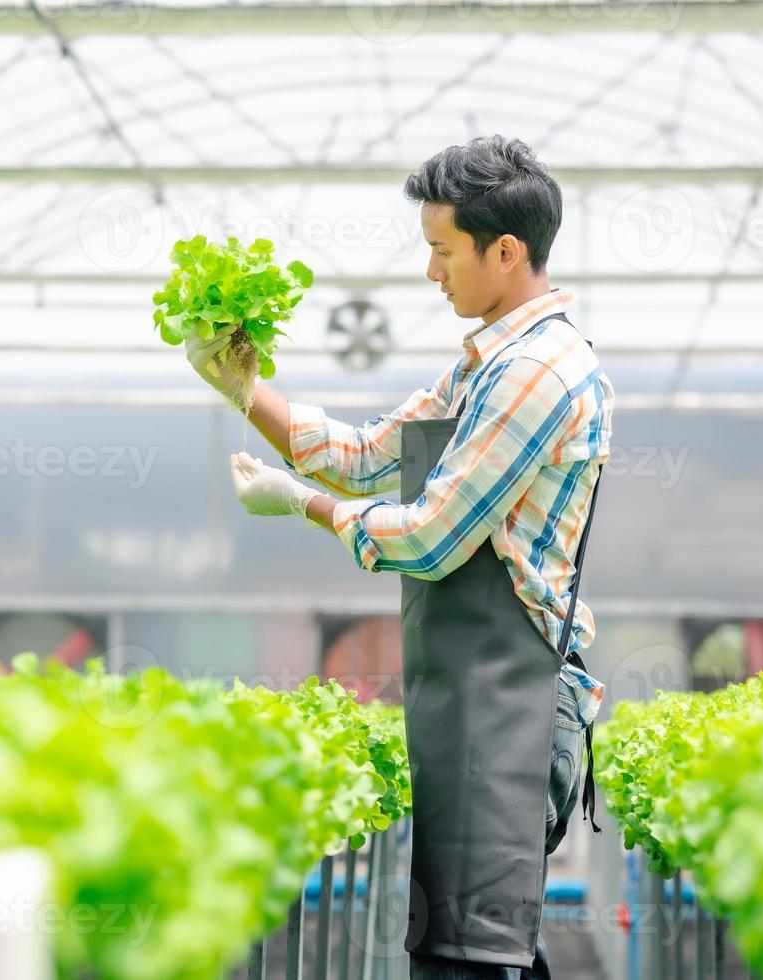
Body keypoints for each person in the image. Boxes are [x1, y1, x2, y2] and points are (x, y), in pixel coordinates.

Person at [187, 135, 614, 979]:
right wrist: (244, 390)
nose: (431, 273)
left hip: (509, 710)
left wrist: (300, 505)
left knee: (470, 957)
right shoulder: (484, 364)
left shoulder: (536, 370)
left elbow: (431, 536)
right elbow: (362, 454)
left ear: (505, 250)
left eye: (440, 250)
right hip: (471, 703)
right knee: (477, 953)